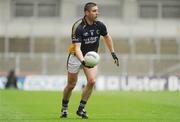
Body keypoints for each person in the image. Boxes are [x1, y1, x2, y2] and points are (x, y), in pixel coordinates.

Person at [60, 2, 119, 119]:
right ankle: (64, 108)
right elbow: (77, 48)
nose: (97, 13)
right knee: (71, 85)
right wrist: (82, 61)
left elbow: (107, 37)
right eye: (94, 11)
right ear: (86, 13)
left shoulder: (100, 25)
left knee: (92, 81)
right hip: (76, 57)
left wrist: (113, 53)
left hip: (91, 57)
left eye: (97, 10)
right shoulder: (78, 27)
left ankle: (81, 109)